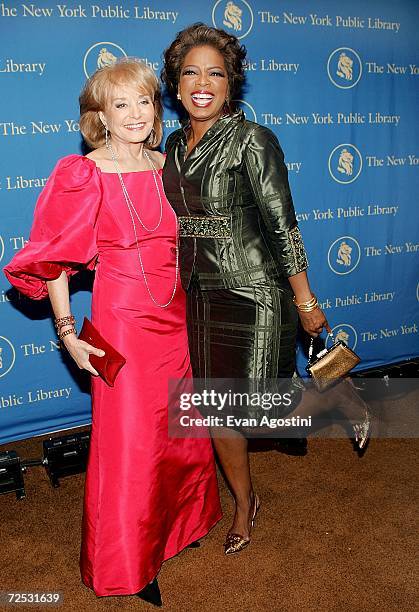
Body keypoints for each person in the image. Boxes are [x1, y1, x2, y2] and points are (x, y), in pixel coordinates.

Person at [4, 58, 222, 606]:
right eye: (119, 104)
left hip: (178, 318)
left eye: (143, 102)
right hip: (122, 322)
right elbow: (56, 261)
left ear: (156, 108)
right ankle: (129, 560)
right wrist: (67, 331)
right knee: (130, 446)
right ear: (99, 115)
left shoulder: (171, 163)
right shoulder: (81, 174)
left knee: (182, 432)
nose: (134, 114)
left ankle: (180, 529)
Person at [161, 24, 370, 556]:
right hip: (200, 297)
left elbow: (282, 226)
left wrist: (305, 301)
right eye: (191, 72)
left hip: (255, 293)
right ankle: (243, 502)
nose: (202, 82)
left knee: (258, 413)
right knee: (217, 410)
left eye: (216, 72)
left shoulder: (253, 140)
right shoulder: (171, 146)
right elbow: (180, 221)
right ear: (176, 84)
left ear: (232, 85)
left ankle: (339, 395)